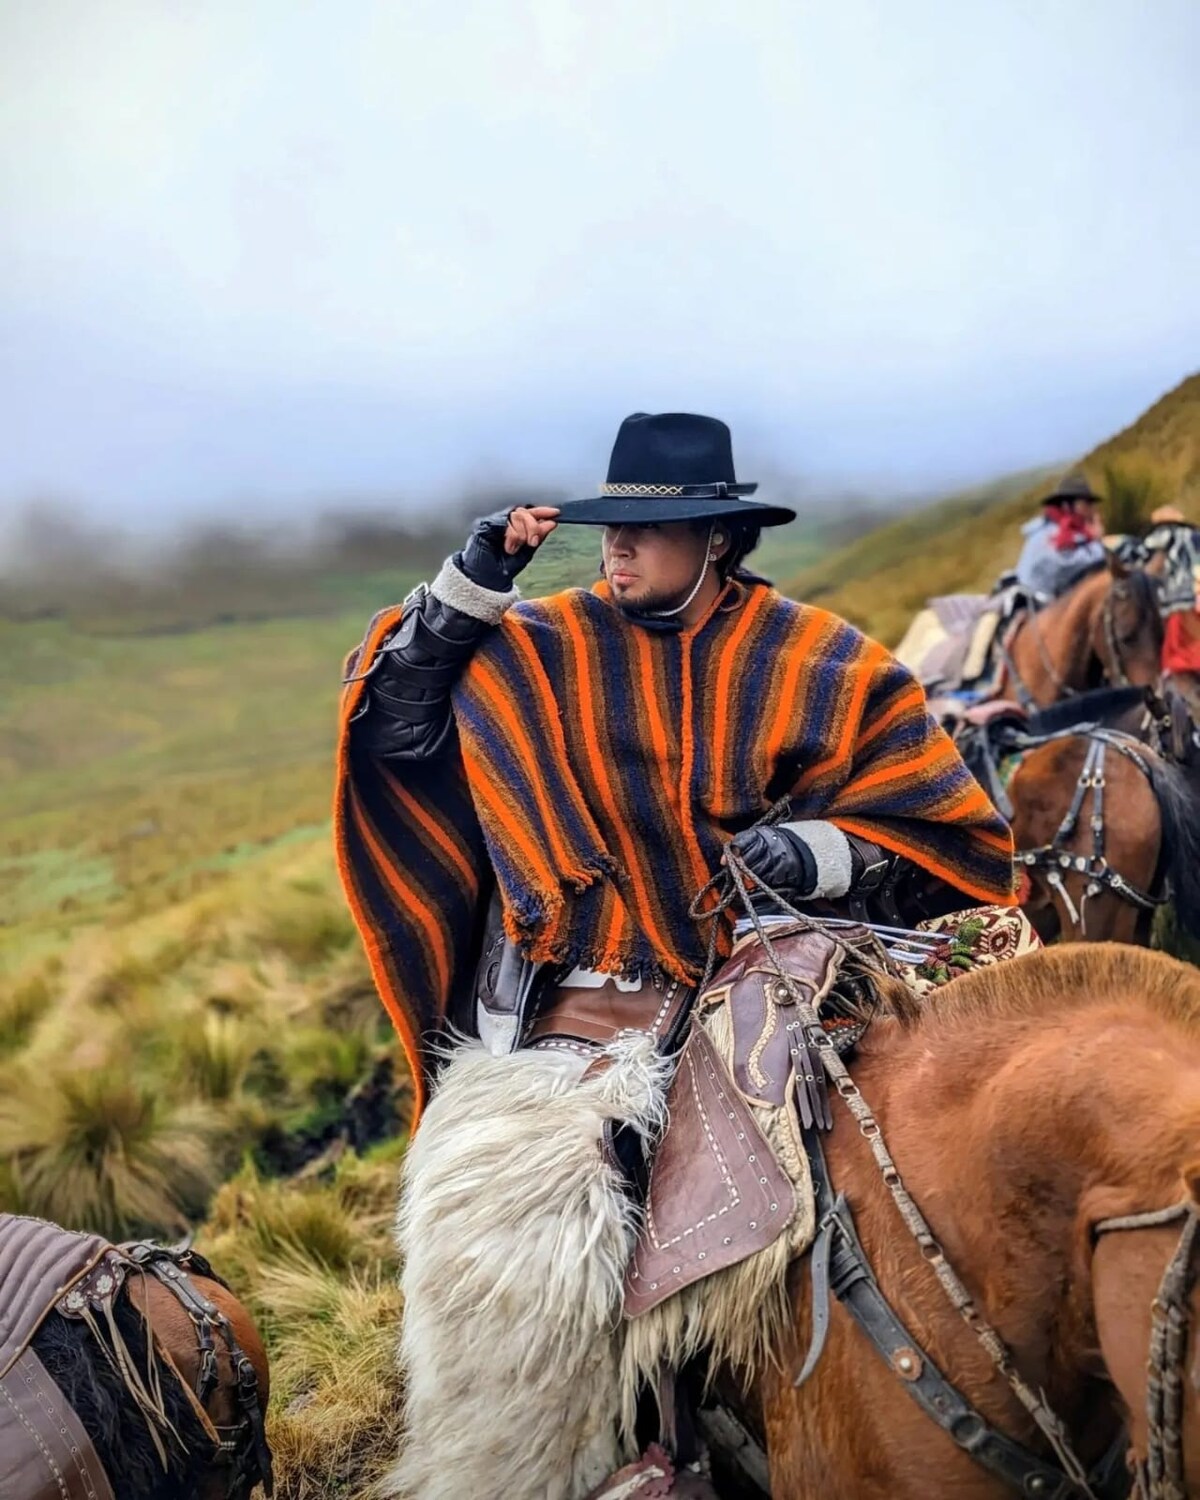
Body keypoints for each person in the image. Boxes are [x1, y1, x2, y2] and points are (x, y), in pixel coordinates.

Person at [334, 412, 1016, 1500]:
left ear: (719, 542)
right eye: (609, 531)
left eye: (649, 534)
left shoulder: (815, 657)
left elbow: (949, 834)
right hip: (572, 1009)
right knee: (506, 1242)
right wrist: (472, 582)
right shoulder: (539, 642)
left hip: (754, 992)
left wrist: (814, 849)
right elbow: (394, 727)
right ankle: (513, 1469)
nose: (615, 552)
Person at [1013, 471, 1107, 598]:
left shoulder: (1053, 526)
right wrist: (1097, 542)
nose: (1091, 509)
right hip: (1035, 603)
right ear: (1068, 505)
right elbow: (1068, 564)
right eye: (1086, 503)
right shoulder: (1056, 534)